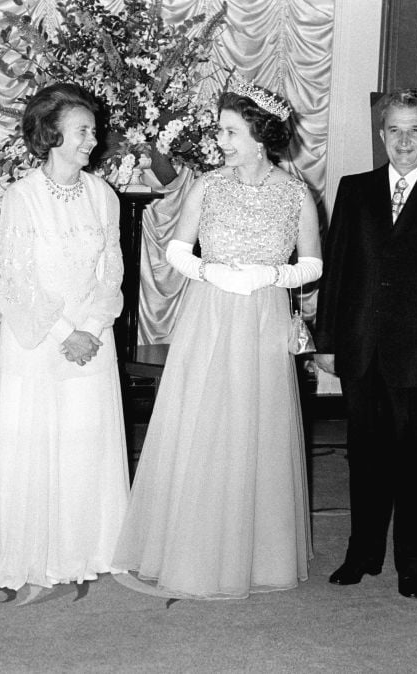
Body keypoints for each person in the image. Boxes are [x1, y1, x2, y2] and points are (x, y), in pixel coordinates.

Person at [113, 79, 321, 599]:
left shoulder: (297, 194)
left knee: (257, 424)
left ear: (259, 134)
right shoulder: (208, 186)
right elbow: (176, 252)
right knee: (204, 420)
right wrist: (212, 272)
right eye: (221, 130)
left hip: (264, 316)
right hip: (209, 312)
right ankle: (188, 542)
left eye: (231, 131)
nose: (221, 141)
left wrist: (270, 277)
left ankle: (255, 552)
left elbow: (313, 264)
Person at [316, 88, 417, 600]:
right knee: (364, 459)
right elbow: (338, 270)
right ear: (381, 134)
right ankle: (362, 554)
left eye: (414, 130)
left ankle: (411, 563)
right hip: (362, 348)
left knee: (416, 464)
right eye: (394, 130)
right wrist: (328, 341)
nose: (404, 141)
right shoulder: (355, 189)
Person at [0, 83, 129, 593]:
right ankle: (28, 552)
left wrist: (92, 328)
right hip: (38, 341)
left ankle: (88, 547)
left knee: (85, 440)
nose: (94, 139)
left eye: (93, 130)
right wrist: (67, 332)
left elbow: (112, 272)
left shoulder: (103, 195)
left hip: (93, 336)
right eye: (84, 130)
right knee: (37, 442)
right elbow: (16, 281)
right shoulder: (23, 197)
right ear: (52, 134)